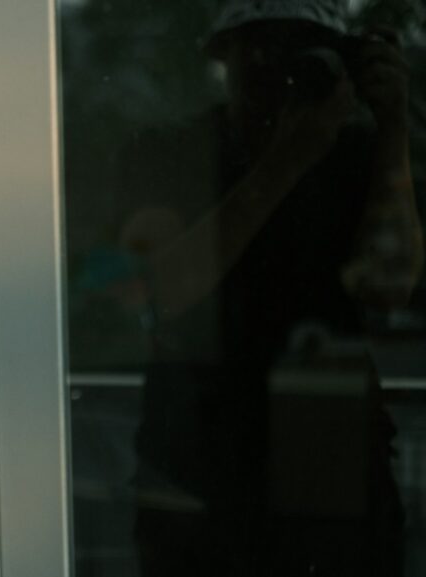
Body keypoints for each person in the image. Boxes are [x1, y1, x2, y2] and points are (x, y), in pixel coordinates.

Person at [111, 0, 422, 575]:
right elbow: (157, 293)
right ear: (222, 54)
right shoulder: (169, 152)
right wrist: (288, 160)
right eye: (261, 46)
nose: (279, 69)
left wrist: (393, 130)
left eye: (300, 49)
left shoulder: (353, 155)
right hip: (203, 462)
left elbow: (390, 286)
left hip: (331, 459)